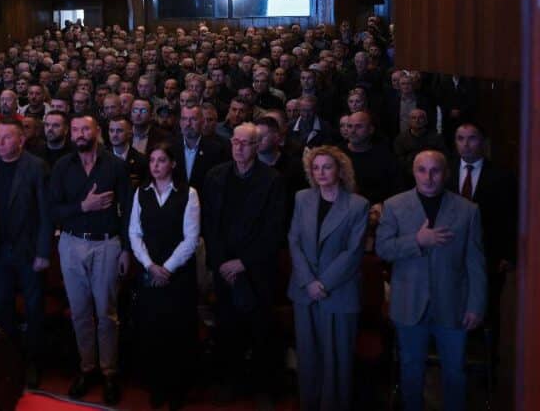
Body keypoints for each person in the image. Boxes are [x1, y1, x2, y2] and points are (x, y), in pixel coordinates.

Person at [376, 150, 486, 411]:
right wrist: (417, 240)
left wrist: (476, 305)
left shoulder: (468, 210)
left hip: (453, 303)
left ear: (446, 174)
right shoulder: (394, 206)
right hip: (409, 303)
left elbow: (475, 262)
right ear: (413, 173)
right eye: (422, 170)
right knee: (410, 370)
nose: (428, 177)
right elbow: (383, 249)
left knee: (455, 372)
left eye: (435, 170)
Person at [201, 122, 286, 403]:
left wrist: (244, 262)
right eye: (235, 142)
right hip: (223, 266)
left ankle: (262, 388)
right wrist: (221, 262)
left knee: (260, 328)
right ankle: (230, 382)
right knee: (227, 327)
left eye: (245, 143)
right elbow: (209, 224)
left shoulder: (272, 180)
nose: (238, 147)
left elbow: (274, 228)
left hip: (256, 268)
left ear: (257, 146)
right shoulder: (215, 176)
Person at [50, 115, 131, 404]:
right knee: (80, 312)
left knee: (107, 313)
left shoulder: (115, 166)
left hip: (107, 244)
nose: (80, 134)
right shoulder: (62, 166)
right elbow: (52, 210)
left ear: (97, 131)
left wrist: (126, 249)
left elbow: (128, 210)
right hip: (71, 243)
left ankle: (109, 372)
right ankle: (87, 368)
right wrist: (84, 206)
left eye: (85, 129)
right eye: (75, 130)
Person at [288, 146, 369, 411]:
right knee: (308, 356)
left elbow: (353, 251)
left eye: (327, 167)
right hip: (304, 291)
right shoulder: (302, 198)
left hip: (339, 291)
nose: (320, 172)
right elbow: (294, 240)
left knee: (337, 359)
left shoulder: (358, 205)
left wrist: (322, 283)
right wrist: (309, 281)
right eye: (315, 168)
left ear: (340, 170)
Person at [0, 118, 52, 387]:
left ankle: (33, 362)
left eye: (7, 137)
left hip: (29, 252)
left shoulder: (36, 166)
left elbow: (45, 213)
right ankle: (10, 359)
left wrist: (43, 251)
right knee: (1, 307)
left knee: (33, 309)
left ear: (21, 140)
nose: (0, 142)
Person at [129, 143, 200, 410]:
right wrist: (150, 265)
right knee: (153, 330)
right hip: (149, 271)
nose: (155, 165)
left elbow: (191, 238)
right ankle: (157, 386)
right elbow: (134, 232)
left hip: (177, 275)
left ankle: (177, 389)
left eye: (161, 160)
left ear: (173, 164)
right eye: (152, 161)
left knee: (177, 332)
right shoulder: (141, 192)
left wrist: (167, 268)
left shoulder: (188, 193)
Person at [449, 122, 516, 344]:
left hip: (489, 253)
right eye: (460, 138)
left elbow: (511, 216)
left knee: (488, 308)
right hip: (450, 251)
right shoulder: (445, 171)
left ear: (483, 142)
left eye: (472, 138)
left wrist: (509, 253)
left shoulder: (502, 176)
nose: (466, 144)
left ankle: (487, 357)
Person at [172, 104, 228, 194]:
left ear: (202, 122)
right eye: (184, 119)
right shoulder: (170, 147)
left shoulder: (216, 150)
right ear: (180, 122)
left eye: (193, 119)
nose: (188, 124)